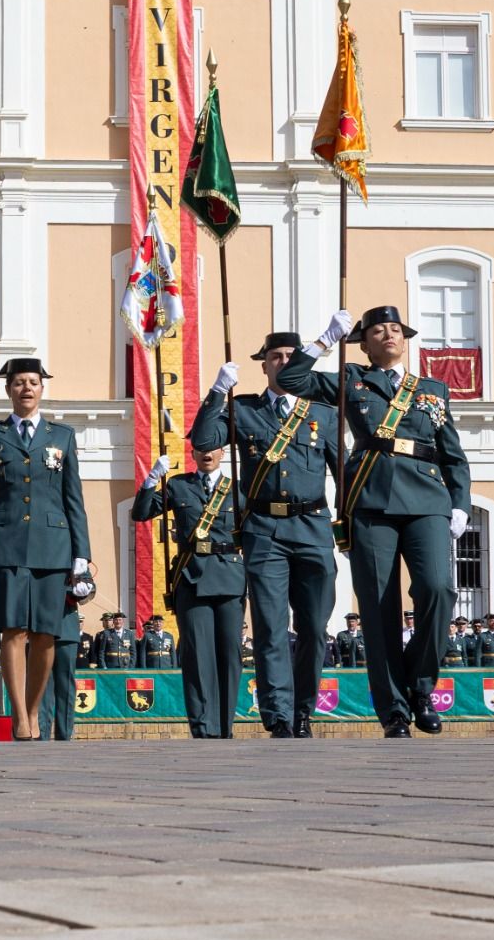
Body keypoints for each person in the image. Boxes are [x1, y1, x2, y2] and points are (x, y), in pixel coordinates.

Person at [277, 305, 471, 738]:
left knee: (438, 589)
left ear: (405, 339)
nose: (389, 335)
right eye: (378, 330)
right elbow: (291, 380)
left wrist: (460, 502)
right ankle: (395, 712)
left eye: (395, 329)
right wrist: (325, 340)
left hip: (427, 499)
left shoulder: (432, 389)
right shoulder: (351, 380)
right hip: (372, 502)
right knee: (379, 609)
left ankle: (421, 686)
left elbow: (453, 454)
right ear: (363, 343)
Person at [192, 332, 339, 738]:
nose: (284, 362)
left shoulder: (322, 413)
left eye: (292, 356)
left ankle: (304, 708)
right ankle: (278, 715)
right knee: (270, 626)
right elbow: (204, 440)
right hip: (264, 530)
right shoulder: (245, 410)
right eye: (276, 356)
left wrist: (348, 525)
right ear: (264, 365)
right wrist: (217, 393)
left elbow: (342, 473)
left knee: (313, 626)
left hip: (313, 526)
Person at [0, 357, 90, 742]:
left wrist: (81, 554)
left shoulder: (61, 436)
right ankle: (19, 715)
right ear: (8, 389)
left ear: (42, 388)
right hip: (6, 544)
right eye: (19, 383)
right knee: (12, 631)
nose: (27, 389)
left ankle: (34, 711)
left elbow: (74, 498)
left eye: (33, 382)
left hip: (54, 546)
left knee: (47, 633)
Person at [134, 444, 245, 739]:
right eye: (200, 449)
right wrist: (151, 479)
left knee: (230, 654)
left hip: (231, 577)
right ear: (193, 454)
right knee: (197, 654)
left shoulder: (238, 488)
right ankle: (202, 725)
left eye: (213, 448)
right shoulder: (179, 485)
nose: (207, 454)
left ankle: (225, 724)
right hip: (192, 576)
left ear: (223, 452)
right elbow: (141, 512)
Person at [40, 609, 82, 741]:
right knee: (41, 688)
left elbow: (88, 590)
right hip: (39, 629)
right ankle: (41, 734)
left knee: (66, 688)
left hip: (66, 627)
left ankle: (64, 735)